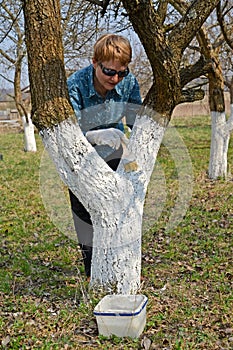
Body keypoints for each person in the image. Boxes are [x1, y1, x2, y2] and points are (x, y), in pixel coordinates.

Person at [67, 33, 142, 279]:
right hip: (81, 158)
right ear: (94, 62)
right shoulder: (75, 85)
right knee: (85, 216)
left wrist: (136, 146)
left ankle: (121, 266)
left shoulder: (129, 83)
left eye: (122, 73)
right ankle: (94, 274)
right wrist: (95, 135)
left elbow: (136, 120)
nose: (116, 79)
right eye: (109, 72)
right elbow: (69, 131)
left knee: (120, 210)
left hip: (115, 152)